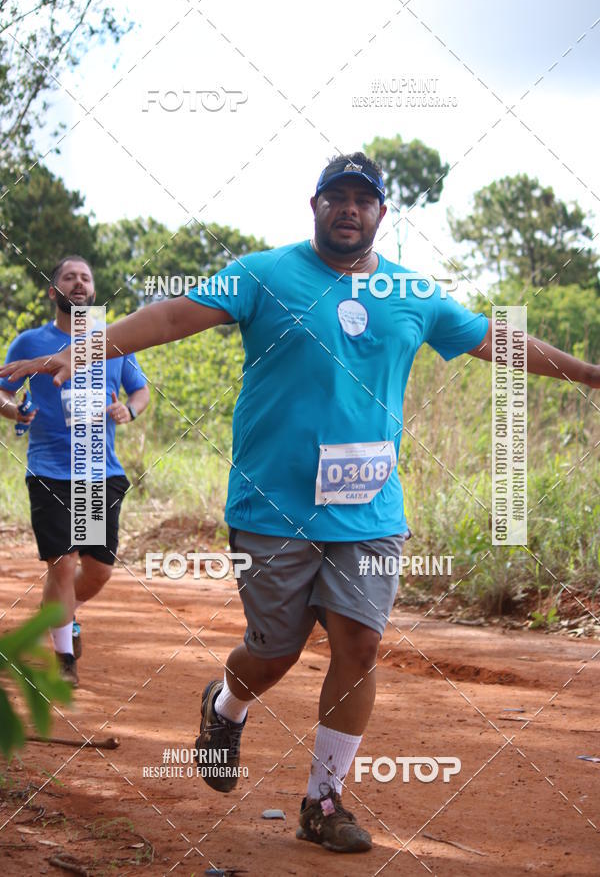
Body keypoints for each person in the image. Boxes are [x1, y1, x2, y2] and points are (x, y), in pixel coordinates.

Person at [2, 154, 598, 853]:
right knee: (275, 650)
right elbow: (169, 316)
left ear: (381, 214)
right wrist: (95, 345)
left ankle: (324, 800)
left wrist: (589, 374)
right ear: (314, 205)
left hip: (369, 507)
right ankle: (224, 706)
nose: (349, 209)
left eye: (363, 200)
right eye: (336, 197)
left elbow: (497, 338)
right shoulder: (263, 274)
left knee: (360, 642)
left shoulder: (413, 292)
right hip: (271, 505)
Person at [0, 255, 149, 688]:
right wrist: (15, 413)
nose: (79, 283)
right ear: (54, 291)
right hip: (48, 468)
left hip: (99, 470)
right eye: (69, 277)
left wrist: (129, 410)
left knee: (97, 569)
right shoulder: (29, 343)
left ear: (94, 290)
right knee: (62, 564)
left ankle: (63, 613)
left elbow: (140, 392)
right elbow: (3, 390)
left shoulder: (113, 340)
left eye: (86, 277)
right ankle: (65, 659)